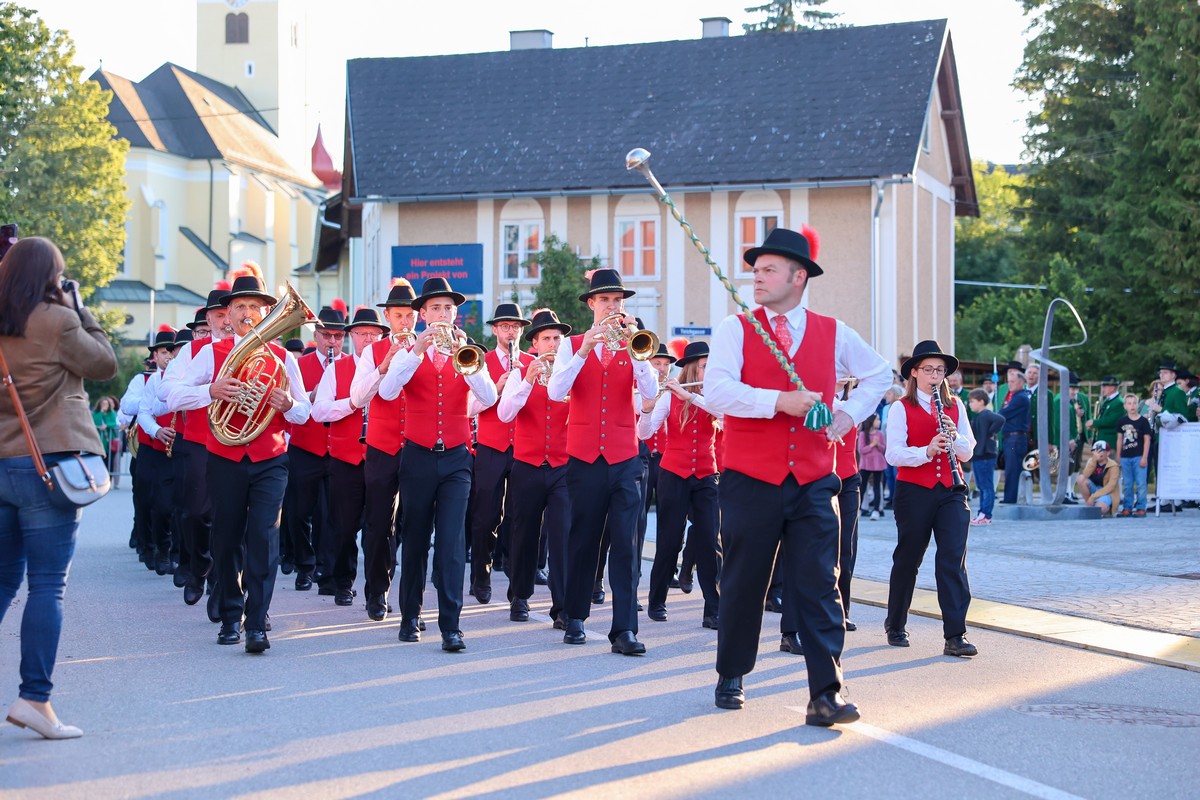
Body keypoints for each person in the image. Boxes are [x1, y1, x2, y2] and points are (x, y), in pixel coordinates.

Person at [704, 226, 890, 725]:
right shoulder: (735, 328)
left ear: (798, 275)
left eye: (768, 270)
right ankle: (732, 672)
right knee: (745, 580)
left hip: (813, 478)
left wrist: (847, 417)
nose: (757, 278)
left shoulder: (834, 331)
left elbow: (880, 375)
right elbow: (716, 390)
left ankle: (826, 693)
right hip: (750, 477)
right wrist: (777, 401)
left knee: (820, 584)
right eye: (756, 269)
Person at [0, 237, 118, 739]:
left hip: (2, 463)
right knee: (47, 585)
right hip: (49, 464)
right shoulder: (55, 320)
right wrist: (81, 310)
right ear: (51, 277)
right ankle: (34, 700)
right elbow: (105, 364)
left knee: (3, 582)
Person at [173, 268, 313, 653]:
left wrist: (289, 404)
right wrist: (211, 390)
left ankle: (257, 623)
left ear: (267, 312)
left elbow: (305, 412)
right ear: (229, 314)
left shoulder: (284, 357)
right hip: (224, 458)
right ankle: (231, 617)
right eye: (240, 307)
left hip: (270, 458)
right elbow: (172, 396)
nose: (248, 312)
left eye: (255, 306)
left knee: (264, 539)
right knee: (227, 537)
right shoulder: (209, 353)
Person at [377, 278, 497, 651]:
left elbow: (489, 397)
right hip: (417, 455)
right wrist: (416, 351)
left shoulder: (468, 352)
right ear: (423, 315)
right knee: (414, 539)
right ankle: (410, 616)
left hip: (458, 458)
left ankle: (451, 626)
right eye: (436, 309)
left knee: (451, 543)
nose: (443, 314)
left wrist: (470, 365)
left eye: (448, 308)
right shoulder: (407, 351)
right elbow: (387, 391)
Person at [547, 268, 659, 655]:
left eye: (618, 301)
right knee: (583, 538)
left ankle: (624, 629)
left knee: (627, 545)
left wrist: (637, 353)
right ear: (592, 304)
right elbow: (556, 389)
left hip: (626, 456)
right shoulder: (572, 343)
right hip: (583, 457)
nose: (613, 307)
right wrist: (582, 350)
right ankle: (575, 616)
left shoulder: (634, 344)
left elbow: (651, 391)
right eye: (606, 300)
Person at [884, 340, 977, 657]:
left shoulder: (956, 406)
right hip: (914, 492)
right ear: (914, 372)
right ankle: (895, 623)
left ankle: (955, 635)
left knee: (952, 560)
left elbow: (967, 451)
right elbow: (893, 454)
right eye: (929, 369)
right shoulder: (901, 407)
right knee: (909, 558)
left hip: (951, 490)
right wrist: (926, 451)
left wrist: (955, 436)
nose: (936, 375)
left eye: (940, 370)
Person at [496, 308, 572, 625]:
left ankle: (564, 608)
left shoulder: (572, 370)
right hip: (527, 464)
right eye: (547, 339)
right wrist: (527, 380)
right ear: (535, 344)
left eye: (557, 338)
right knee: (524, 533)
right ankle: (520, 596)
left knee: (562, 535)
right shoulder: (520, 371)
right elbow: (504, 413)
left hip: (563, 466)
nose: (553, 344)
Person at [638, 341, 721, 629]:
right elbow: (644, 432)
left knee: (710, 542)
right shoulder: (669, 396)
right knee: (670, 539)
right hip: (674, 474)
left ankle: (713, 609)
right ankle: (657, 599)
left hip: (706, 475)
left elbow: (722, 414)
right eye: (705, 367)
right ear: (691, 368)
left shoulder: (714, 395)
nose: (710, 371)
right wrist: (647, 410)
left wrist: (690, 395)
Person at [310, 307, 388, 605]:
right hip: (346, 458)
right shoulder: (337, 369)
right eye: (361, 334)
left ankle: (378, 591)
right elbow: (319, 411)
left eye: (374, 334)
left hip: (382, 456)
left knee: (381, 528)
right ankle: (343, 582)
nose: (368, 339)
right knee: (344, 526)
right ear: (351, 336)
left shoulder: (391, 365)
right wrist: (353, 404)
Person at [350, 279, 416, 622]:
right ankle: (377, 591)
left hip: (419, 446)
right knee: (378, 523)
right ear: (388, 317)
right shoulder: (371, 352)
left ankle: (409, 596)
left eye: (410, 316)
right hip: (381, 445)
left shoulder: (429, 347)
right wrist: (383, 366)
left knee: (412, 524)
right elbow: (358, 398)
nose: (405, 322)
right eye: (399, 316)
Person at [162, 282, 231, 609]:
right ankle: (199, 566)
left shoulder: (251, 347)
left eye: (229, 312)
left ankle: (222, 585)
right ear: (210, 316)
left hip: (238, 442)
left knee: (229, 516)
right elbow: (167, 393)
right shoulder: (192, 350)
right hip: (200, 442)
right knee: (195, 513)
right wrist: (208, 390)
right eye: (219, 314)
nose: (226, 319)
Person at [467, 303, 531, 604]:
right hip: (491, 446)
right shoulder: (480, 361)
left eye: (515, 327)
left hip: (524, 447)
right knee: (485, 517)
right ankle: (481, 576)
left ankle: (518, 591)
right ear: (495, 330)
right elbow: (468, 409)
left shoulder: (532, 362)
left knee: (522, 520)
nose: (510, 331)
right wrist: (496, 387)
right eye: (505, 326)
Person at [282, 302, 347, 592]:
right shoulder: (299, 364)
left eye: (338, 336)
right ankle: (304, 562)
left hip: (337, 448)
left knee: (330, 513)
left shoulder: (350, 365)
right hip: (305, 446)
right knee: (297, 512)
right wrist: (313, 394)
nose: (332, 341)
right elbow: (291, 402)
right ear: (316, 335)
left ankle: (324, 569)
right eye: (326, 336)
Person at [135, 326, 180, 576]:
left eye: (175, 352)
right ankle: (161, 550)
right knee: (161, 504)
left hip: (190, 447)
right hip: (161, 449)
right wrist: (156, 431)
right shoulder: (154, 379)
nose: (171, 357)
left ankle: (179, 556)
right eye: (167, 352)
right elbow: (143, 411)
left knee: (187, 508)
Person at [967, 389, 1004, 524]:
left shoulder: (986, 414)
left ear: (981, 402)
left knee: (986, 485)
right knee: (982, 485)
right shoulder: (978, 416)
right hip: (978, 455)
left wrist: (990, 432)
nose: (970, 404)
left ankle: (986, 514)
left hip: (986, 455)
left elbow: (1000, 419)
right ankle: (982, 513)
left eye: (972, 401)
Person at [997, 361, 1030, 505]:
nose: (1010, 384)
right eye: (1009, 381)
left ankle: (1011, 499)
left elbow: (1004, 413)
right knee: (1010, 468)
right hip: (1011, 438)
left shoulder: (1020, 398)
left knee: (1013, 470)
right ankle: (1010, 497)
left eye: (1013, 382)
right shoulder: (1016, 396)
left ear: (1021, 382)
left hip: (1015, 438)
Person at [1117, 394, 1152, 517]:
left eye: (1134, 403)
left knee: (1141, 483)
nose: (1132, 406)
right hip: (1125, 457)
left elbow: (1147, 440)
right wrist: (1118, 457)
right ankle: (1127, 507)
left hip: (1139, 457)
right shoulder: (1122, 421)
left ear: (1138, 405)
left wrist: (1144, 457)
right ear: (1125, 406)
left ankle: (1141, 507)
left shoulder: (1143, 422)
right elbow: (1120, 440)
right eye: (1129, 403)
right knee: (1127, 484)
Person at [1076, 440, 1119, 516]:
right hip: (1095, 488)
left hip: (1107, 492)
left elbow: (1110, 486)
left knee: (1099, 508)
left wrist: (1093, 497)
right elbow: (1085, 475)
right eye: (1095, 450)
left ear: (1107, 453)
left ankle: (1107, 509)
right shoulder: (1091, 461)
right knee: (1081, 478)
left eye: (1100, 450)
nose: (1097, 452)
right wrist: (1093, 461)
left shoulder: (1113, 466)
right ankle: (1089, 505)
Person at [857, 415, 886, 519]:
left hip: (878, 464)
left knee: (877, 487)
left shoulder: (880, 434)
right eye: (877, 419)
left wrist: (877, 444)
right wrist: (872, 445)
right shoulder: (863, 434)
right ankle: (859, 508)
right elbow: (861, 450)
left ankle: (877, 510)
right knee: (862, 487)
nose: (879, 421)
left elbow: (883, 449)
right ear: (871, 421)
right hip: (865, 464)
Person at [1088, 376, 1123, 452]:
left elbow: (1111, 421)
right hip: (1103, 441)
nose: (1102, 389)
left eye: (1104, 386)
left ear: (1112, 388)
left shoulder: (1119, 402)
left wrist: (1094, 422)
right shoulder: (1108, 400)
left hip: (1110, 442)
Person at [92, 397, 119, 481]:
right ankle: (98, 479)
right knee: (98, 462)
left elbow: (114, 423)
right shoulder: (96, 413)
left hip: (109, 442)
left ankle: (108, 479)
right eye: (103, 404)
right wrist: (101, 413)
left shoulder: (112, 413)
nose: (104, 406)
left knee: (109, 462)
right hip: (99, 441)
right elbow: (95, 421)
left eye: (106, 404)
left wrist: (107, 425)